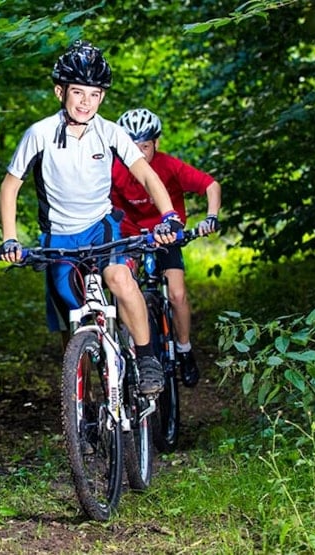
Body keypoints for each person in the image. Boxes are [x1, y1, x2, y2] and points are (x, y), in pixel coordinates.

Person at [0, 40, 184, 395]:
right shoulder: (39, 134)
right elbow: (10, 187)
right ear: (60, 92)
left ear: (102, 98)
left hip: (102, 229)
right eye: (78, 92)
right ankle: (82, 403)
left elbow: (146, 174)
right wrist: (10, 238)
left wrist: (169, 216)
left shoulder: (110, 132)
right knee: (72, 315)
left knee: (119, 278)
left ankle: (146, 360)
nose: (86, 101)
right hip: (59, 238)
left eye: (95, 94)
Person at [111, 108, 222, 388]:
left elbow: (211, 185)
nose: (139, 153)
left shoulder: (168, 165)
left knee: (177, 293)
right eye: (132, 146)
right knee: (123, 290)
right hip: (131, 239)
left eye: (145, 146)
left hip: (167, 238)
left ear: (156, 143)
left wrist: (211, 217)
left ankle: (184, 350)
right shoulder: (115, 169)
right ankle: (133, 352)